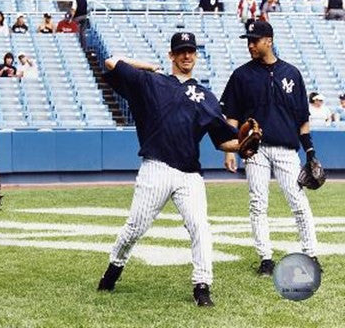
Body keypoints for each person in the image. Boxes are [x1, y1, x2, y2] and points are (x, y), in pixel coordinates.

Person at [97, 32, 258, 307]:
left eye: (191, 51)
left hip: (189, 175)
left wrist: (243, 145)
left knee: (200, 228)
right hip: (155, 167)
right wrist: (149, 66)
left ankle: (202, 286)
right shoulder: (150, 82)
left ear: (196, 55)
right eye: (181, 51)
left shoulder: (205, 96)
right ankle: (114, 266)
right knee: (135, 228)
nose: (187, 56)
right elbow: (111, 62)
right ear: (171, 55)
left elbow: (223, 141)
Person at [220, 21, 321, 277]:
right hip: (255, 151)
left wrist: (310, 152)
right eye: (248, 40)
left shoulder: (292, 73)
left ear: (269, 40)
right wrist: (230, 150)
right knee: (258, 203)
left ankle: (311, 254)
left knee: (298, 202)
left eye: (255, 40)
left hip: (287, 149)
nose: (250, 44)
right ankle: (265, 258)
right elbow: (231, 116)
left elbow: (302, 117)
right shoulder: (241, 75)